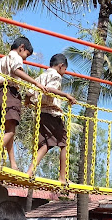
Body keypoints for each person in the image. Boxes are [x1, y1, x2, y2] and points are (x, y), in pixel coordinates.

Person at [0, 37, 47, 170]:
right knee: (11, 131)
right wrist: (35, 82)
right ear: (21, 48)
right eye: (26, 55)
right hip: (10, 93)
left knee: (9, 130)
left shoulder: (3, 60)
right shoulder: (16, 57)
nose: (25, 59)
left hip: (0, 93)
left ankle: (13, 163)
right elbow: (16, 70)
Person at [25, 53, 77, 183]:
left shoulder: (42, 76)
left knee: (45, 145)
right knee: (64, 144)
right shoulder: (56, 76)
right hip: (53, 114)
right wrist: (66, 95)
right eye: (65, 70)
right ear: (61, 66)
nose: (64, 73)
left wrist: (27, 101)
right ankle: (62, 177)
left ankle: (29, 172)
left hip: (41, 113)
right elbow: (50, 89)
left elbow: (29, 92)